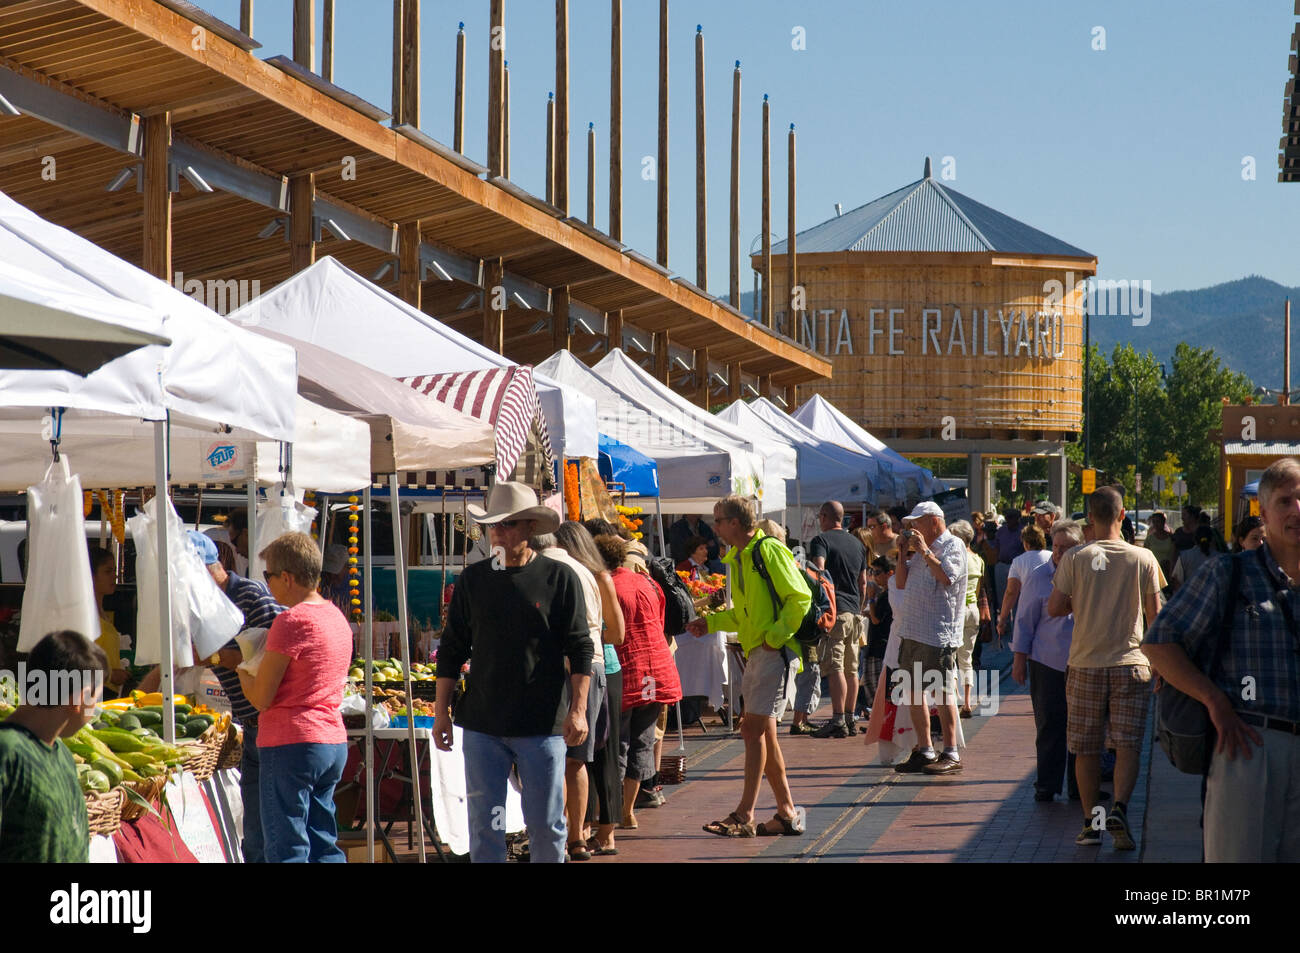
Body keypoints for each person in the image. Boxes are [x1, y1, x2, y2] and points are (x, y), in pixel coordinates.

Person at [1142, 457, 1300, 861]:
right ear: (1262, 515)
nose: (1296, 510)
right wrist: (1214, 700)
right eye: (1285, 502)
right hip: (1249, 745)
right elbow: (1159, 643)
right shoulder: (1228, 573)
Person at [433, 482, 591, 864]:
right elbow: (452, 649)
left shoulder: (558, 578)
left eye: (507, 525)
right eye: (493, 526)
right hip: (483, 723)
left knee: (546, 824)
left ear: (530, 529)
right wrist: (441, 712)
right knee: (485, 823)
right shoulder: (473, 580)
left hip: (541, 723)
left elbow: (580, 647)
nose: (498, 534)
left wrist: (579, 709)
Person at [139, 531, 283, 862]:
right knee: (256, 833)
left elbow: (272, 659)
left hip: (269, 723)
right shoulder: (200, 607)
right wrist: (139, 693)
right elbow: (177, 660)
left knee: (271, 830)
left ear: (207, 568)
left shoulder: (250, 595)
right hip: (249, 723)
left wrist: (213, 656)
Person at [1047, 487, 1164, 850]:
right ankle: (1120, 809)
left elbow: (1053, 608)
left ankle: (1091, 823)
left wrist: (1080, 601)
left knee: (1086, 747)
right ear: (1123, 514)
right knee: (1128, 744)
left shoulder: (1076, 558)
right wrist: (1160, 665)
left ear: (1090, 518)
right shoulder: (1143, 558)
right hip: (1131, 663)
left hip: (1085, 664)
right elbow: (1156, 616)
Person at [689, 494, 808, 837]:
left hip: (772, 652)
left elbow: (799, 597)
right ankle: (785, 810)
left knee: (751, 730)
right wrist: (710, 623)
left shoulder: (765, 551)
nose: (715, 526)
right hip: (759, 652)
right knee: (763, 734)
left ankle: (745, 814)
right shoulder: (739, 558)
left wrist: (775, 636)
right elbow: (744, 614)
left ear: (735, 523)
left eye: (719, 520)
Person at [236, 532, 352, 863]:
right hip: (330, 740)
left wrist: (244, 671)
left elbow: (262, 698)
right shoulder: (336, 617)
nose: (267, 583)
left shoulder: (291, 621)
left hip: (292, 742)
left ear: (286, 577)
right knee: (323, 843)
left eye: (268, 575)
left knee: (287, 847)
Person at [591, 534, 681, 832]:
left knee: (618, 746)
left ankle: (611, 815)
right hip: (658, 668)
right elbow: (660, 621)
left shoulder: (607, 586)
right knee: (642, 742)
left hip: (628, 670)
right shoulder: (648, 582)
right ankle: (628, 812)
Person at [530, 527, 610, 861]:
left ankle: (559, 837)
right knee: (576, 759)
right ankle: (576, 836)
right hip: (593, 666)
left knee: (556, 756)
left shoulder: (542, 571)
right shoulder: (587, 570)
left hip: (563, 668)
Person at [553, 521, 625, 856]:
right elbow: (616, 635)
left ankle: (571, 833)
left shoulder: (560, 573)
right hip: (601, 666)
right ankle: (578, 836)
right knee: (584, 757)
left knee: (564, 756)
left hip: (572, 667)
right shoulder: (598, 576)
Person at [0, 630, 104, 862]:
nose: (96, 710)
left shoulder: (63, 756)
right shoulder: (8, 752)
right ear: (79, 700)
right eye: (97, 698)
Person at [1012, 520, 1086, 802]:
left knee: (1081, 726)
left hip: (1082, 660)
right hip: (1047, 661)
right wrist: (1019, 659)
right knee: (1049, 724)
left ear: (1078, 548)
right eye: (1055, 546)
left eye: (1065, 547)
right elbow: (1024, 620)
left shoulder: (1088, 573)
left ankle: (1080, 785)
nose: (1058, 553)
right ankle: (1047, 784)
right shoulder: (1039, 576)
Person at [893, 501, 968, 775]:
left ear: (935, 521)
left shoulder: (953, 545)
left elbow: (947, 577)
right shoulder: (917, 550)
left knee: (942, 691)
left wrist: (924, 550)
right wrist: (902, 555)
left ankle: (951, 752)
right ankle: (925, 749)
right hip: (913, 631)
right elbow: (900, 582)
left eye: (917, 522)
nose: (913, 528)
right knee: (914, 691)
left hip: (938, 633)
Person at [809, 501, 868, 739]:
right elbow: (863, 582)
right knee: (852, 669)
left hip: (836, 612)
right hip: (855, 612)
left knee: (835, 667)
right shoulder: (858, 543)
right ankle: (850, 718)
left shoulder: (820, 541)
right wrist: (860, 606)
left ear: (824, 517)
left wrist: (823, 606)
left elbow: (819, 572)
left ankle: (837, 720)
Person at [948, 521, 990, 719]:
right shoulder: (978, 560)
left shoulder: (955, 559)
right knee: (967, 659)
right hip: (972, 610)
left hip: (955, 611)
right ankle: (967, 702)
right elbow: (980, 587)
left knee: (951, 658)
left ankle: (955, 701)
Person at [996, 523, 1051, 643]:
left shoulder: (1018, 562)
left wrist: (1002, 620)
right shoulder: (1053, 558)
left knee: (1023, 652)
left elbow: (1011, 592)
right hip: (1051, 610)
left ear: (1025, 543)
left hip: (1027, 612)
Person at [88, 547, 128, 695]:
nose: (114, 576)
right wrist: (111, 675)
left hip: (108, 692)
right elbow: (80, 662)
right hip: (93, 693)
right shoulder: (86, 616)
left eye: (114, 571)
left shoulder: (103, 613)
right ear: (91, 576)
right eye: (107, 571)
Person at [1143, 511, 1178, 584]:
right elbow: (1145, 557)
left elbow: (1174, 556)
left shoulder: (1171, 538)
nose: (1156, 524)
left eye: (1158, 521)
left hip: (1169, 572)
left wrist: (1171, 573)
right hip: (1154, 572)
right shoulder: (1149, 539)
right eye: (1154, 522)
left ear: (1163, 522)